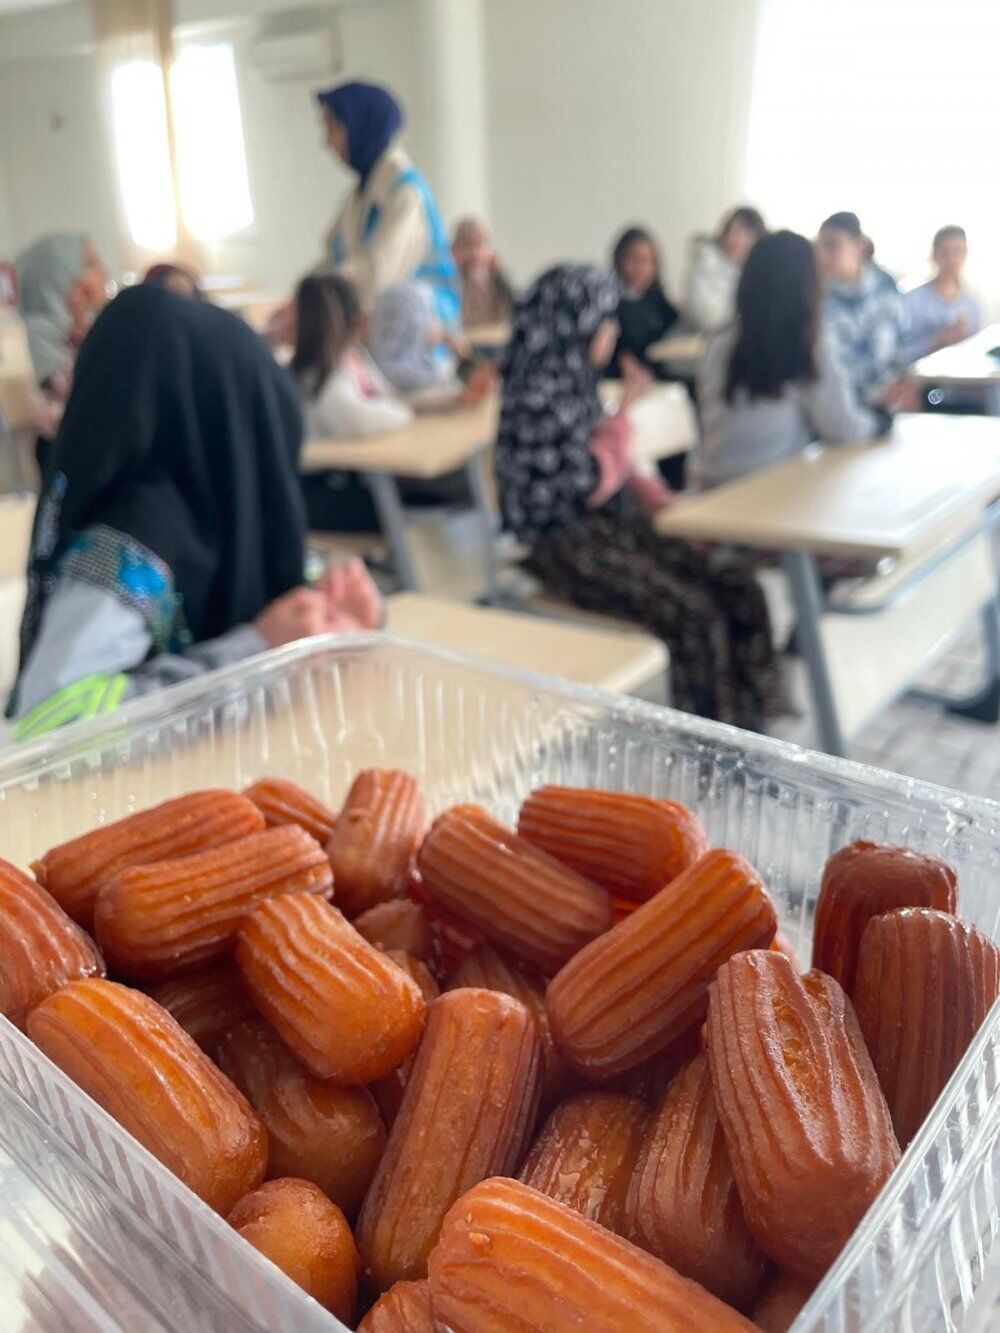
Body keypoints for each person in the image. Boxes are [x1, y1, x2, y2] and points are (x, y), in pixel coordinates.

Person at [7, 285, 382, 738]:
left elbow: (288, 593)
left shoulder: (238, 514)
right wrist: (255, 652)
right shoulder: (130, 547)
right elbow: (47, 722)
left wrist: (346, 615)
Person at [495, 264, 780, 729]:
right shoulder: (536, 398)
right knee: (694, 616)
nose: (612, 330)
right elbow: (590, 479)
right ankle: (710, 745)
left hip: (611, 525)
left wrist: (661, 499)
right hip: (562, 543)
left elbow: (614, 463)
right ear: (575, 325)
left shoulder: (573, 380)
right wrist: (625, 414)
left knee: (739, 587)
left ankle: (753, 725)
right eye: (604, 320)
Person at [696, 231, 889, 489]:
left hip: (712, 488)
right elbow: (840, 427)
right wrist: (881, 420)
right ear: (807, 282)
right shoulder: (807, 340)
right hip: (773, 490)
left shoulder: (719, 340)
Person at [318, 80, 460, 327]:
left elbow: (377, 275)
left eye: (333, 129)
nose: (327, 143)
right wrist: (304, 295)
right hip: (381, 332)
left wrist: (315, 297)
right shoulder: (360, 194)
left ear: (361, 128)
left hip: (420, 337)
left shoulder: (406, 193)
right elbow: (334, 257)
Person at [293, 272, 413, 439]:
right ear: (359, 321)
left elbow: (389, 395)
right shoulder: (320, 376)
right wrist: (404, 411)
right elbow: (359, 419)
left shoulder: (355, 356)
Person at [15, 233, 109, 439]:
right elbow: (81, 398)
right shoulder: (38, 331)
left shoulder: (84, 325)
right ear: (61, 275)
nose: (104, 272)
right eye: (90, 264)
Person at [816, 211, 908, 407]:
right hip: (841, 404)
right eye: (820, 247)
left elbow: (899, 344)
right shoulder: (819, 294)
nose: (823, 255)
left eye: (832, 245)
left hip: (890, 399)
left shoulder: (885, 285)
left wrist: (902, 387)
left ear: (860, 246)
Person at [368, 281, 496, 410]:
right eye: (425, 315)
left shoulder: (420, 362)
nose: (434, 322)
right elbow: (409, 400)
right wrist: (461, 396)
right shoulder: (396, 374)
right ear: (410, 323)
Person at [902, 225, 980, 364]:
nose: (951, 259)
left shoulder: (971, 304)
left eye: (957, 251)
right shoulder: (912, 300)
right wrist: (934, 343)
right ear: (934, 256)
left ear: (965, 254)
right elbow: (897, 353)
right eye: (944, 252)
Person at [609, 225, 679, 376]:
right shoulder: (608, 302)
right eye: (633, 260)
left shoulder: (660, 303)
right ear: (619, 261)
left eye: (645, 261)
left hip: (657, 378)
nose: (639, 268)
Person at [685, 206, 767, 332]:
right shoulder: (708, 263)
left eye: (740, 232)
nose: (732, 238)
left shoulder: (764, 270)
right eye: (729, 230)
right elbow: (710, 317)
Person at [451, 216, 515, 330]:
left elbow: (515, 309)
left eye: (480, 245)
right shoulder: (447, 279)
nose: (475, 253)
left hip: (491, 336)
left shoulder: (495, 277)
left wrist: (500, 274)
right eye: (467, 245)